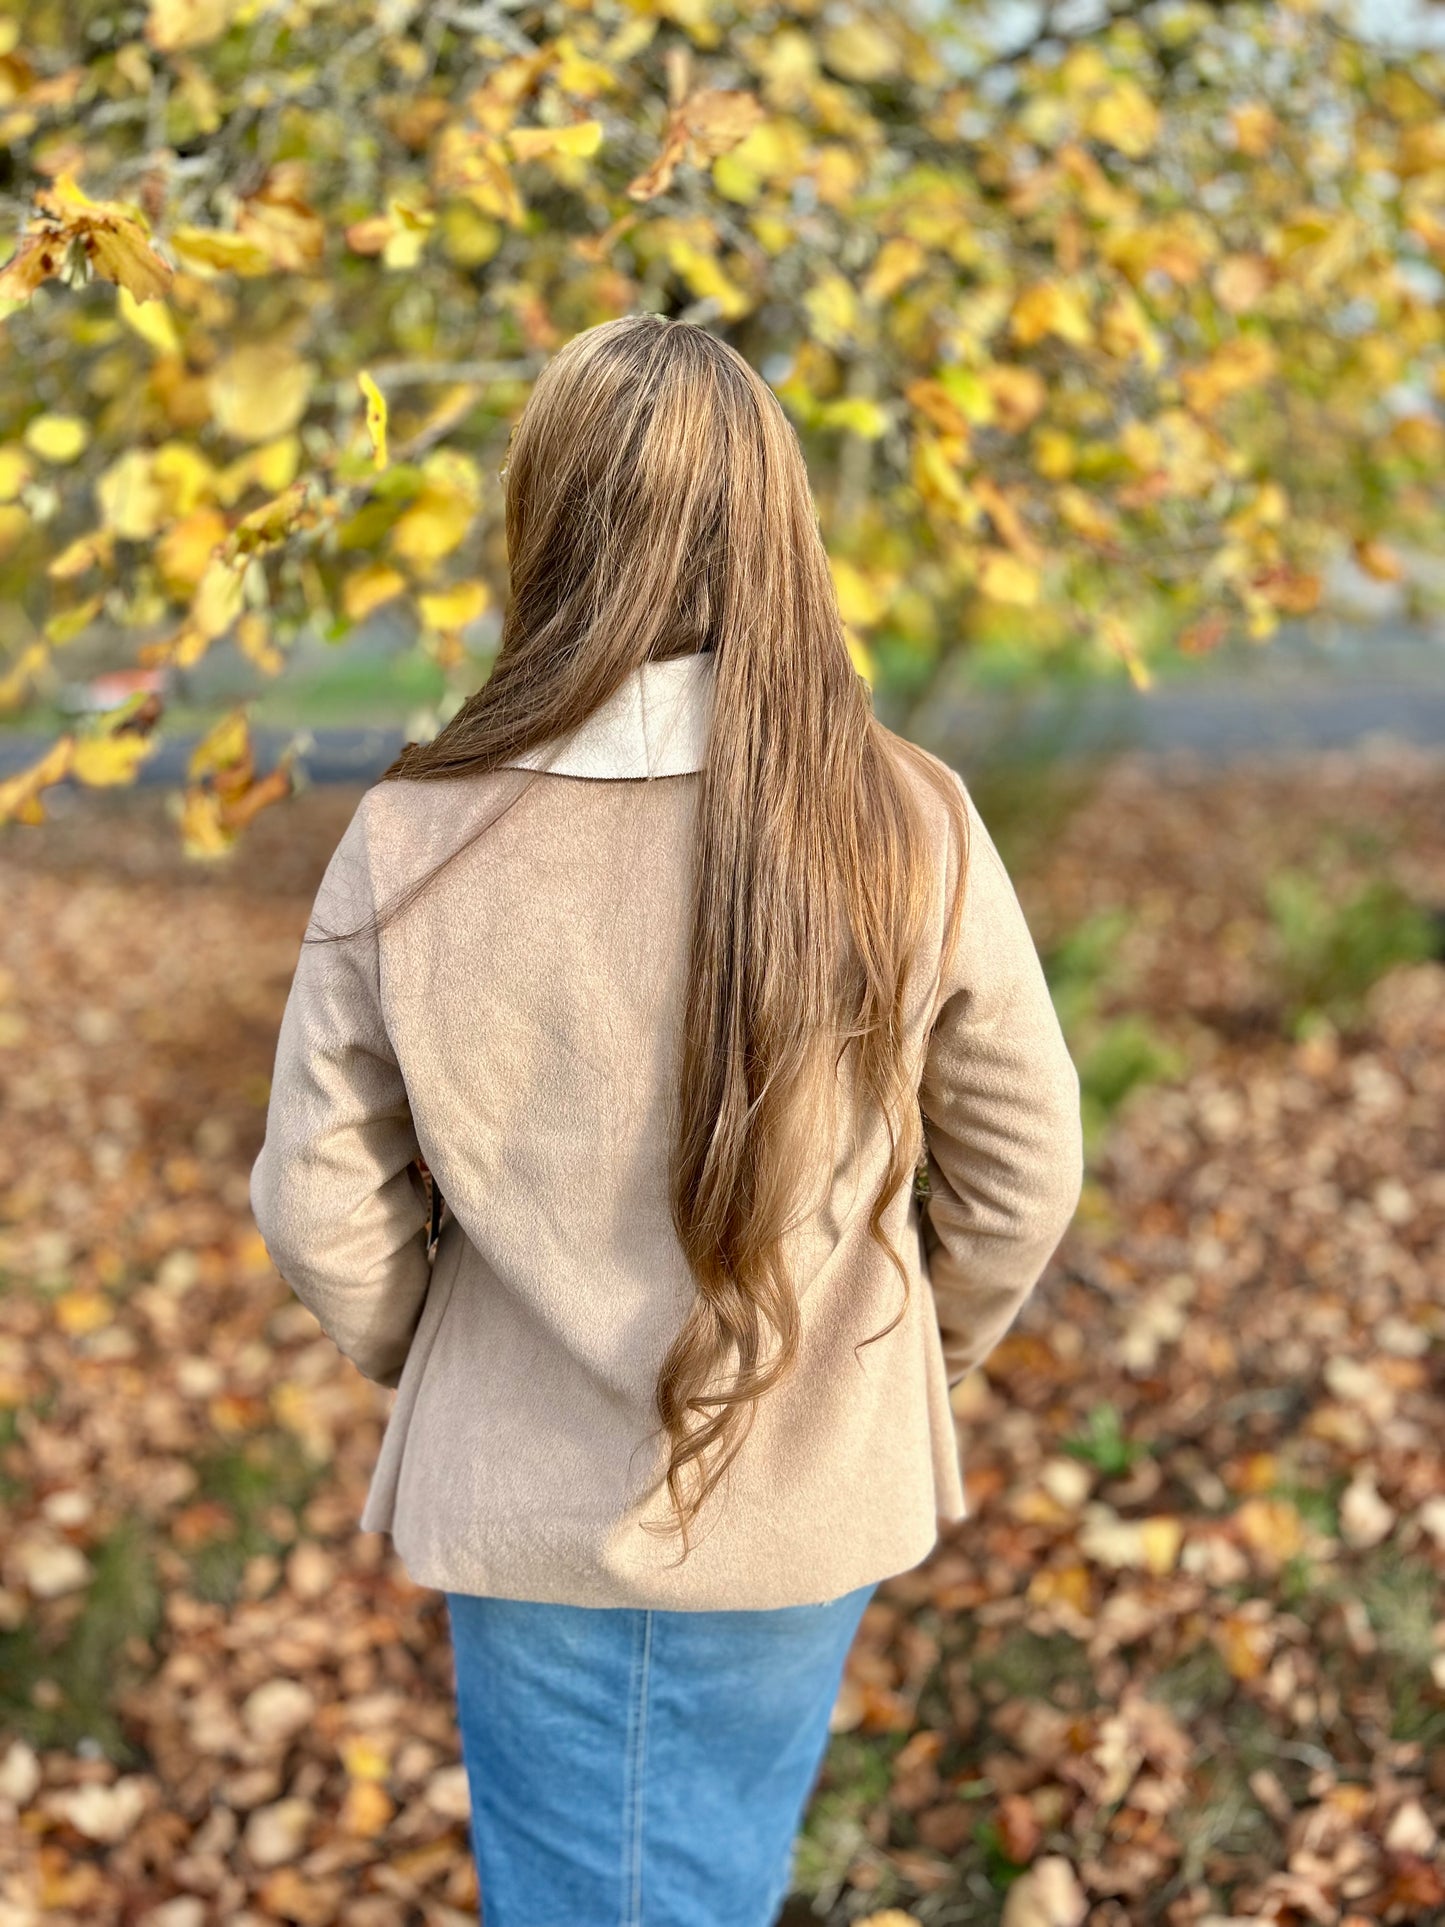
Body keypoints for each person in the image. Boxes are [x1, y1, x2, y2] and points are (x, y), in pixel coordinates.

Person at [250, 314, 1084, 1927]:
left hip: (531, 1501)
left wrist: (456, 1353)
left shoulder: (417, 833)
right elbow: (1023, 1170)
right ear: (776, 523)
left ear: (545, 519)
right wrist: (900, 1355)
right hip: (805, 1479)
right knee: (704, 1879)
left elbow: (317, 1204)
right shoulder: (906, 815)